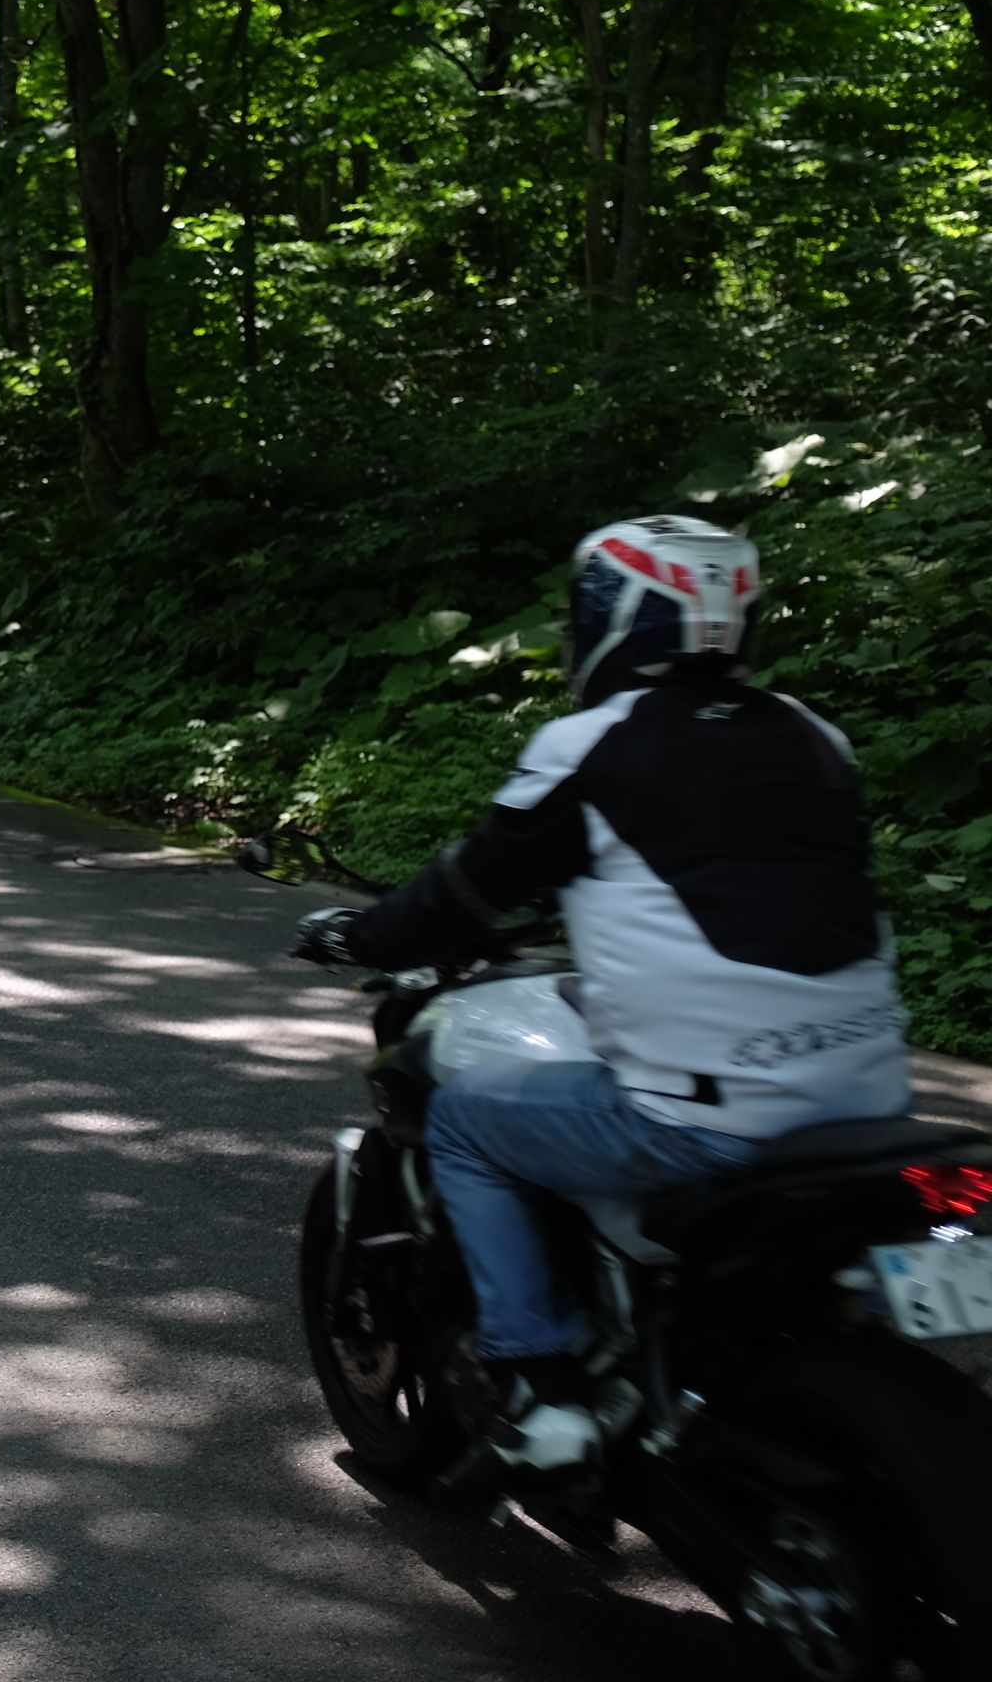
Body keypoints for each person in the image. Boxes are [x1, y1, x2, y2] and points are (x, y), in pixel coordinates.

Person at [295, 514, 911, 1469]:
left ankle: (536, 1380)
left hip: (703, 1123)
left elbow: (467, 887)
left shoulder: (593, 742)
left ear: (616, 618)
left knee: (461, 1121)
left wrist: (361, 934)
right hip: (868, 1099)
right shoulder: (816, 736)